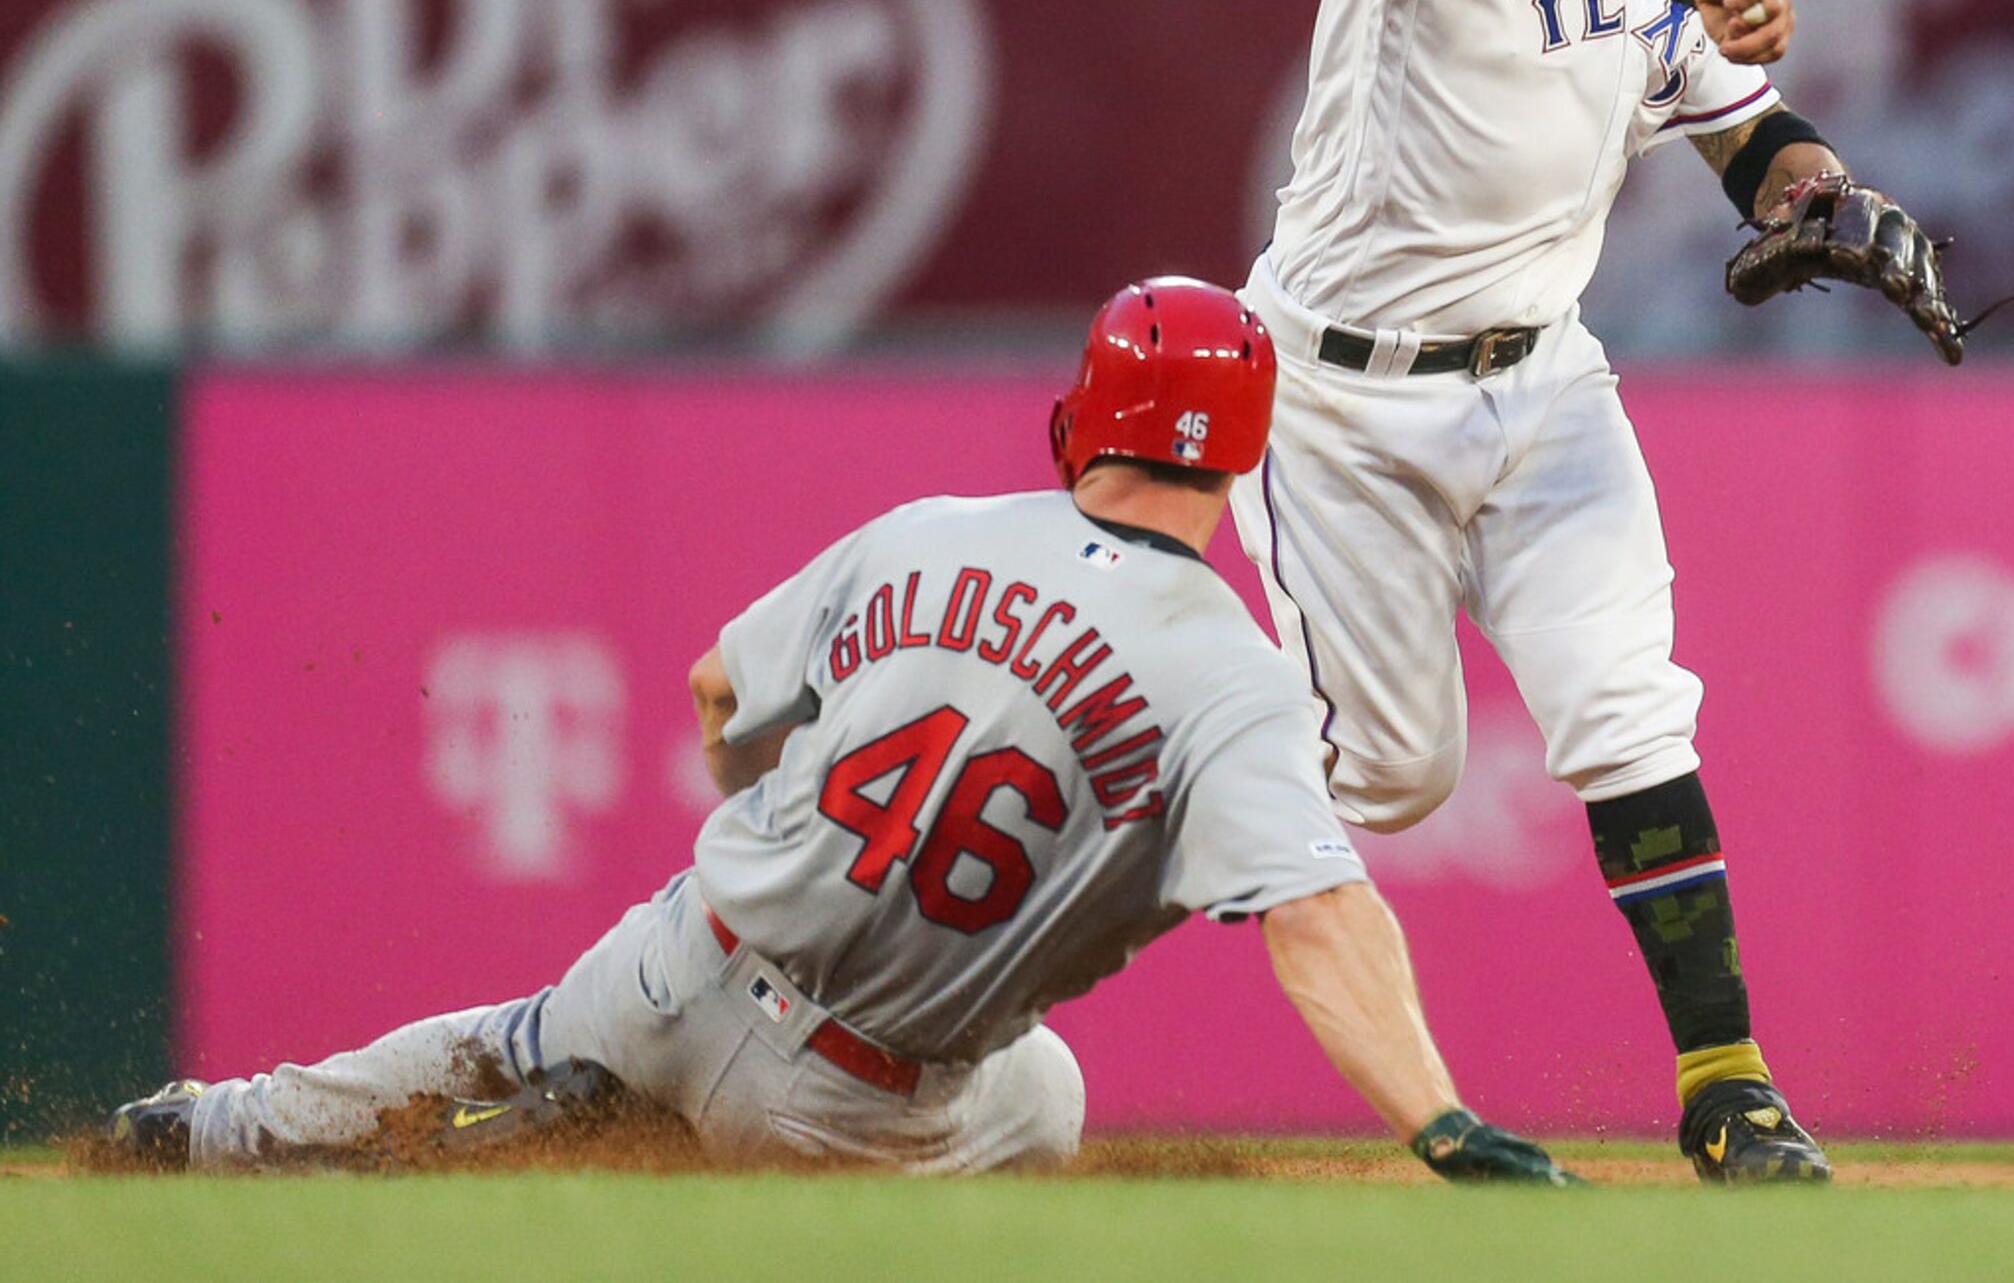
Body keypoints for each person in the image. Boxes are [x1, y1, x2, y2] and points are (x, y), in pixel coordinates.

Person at [108, 277, 1574, 1184]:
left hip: (689, 958)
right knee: (1040, 1095)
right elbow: (1316, 913)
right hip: (856, 1109)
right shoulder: (1233, 676)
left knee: (513, 1035)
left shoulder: (922, 532)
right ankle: (607, 1147)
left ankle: (214, 1127)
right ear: (1246, 451)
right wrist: (1438, 1122)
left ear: (1083, 415)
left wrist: (778, 806)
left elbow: (712, 692)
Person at [1230, 0, 1960, 1186]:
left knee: (1629, 712)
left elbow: (1745, 127)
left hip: (1543, 384)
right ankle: (1132, 750)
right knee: (1393, 779)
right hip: (1340, 398)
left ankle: (1727, 1085)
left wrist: (1818, 192)